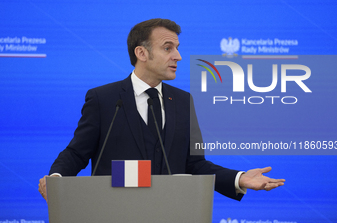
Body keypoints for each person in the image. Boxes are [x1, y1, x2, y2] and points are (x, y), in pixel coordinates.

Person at [38, 18, 285, 202]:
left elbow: (195, 165)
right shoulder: (104, 99)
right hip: (112, 215)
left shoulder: (182, 100)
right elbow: (77, 153)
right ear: (141, 53)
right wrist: (56, 180)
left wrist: (239, 178)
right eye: (168, 48)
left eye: (177, 47)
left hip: (170, 217)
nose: (178, 56)